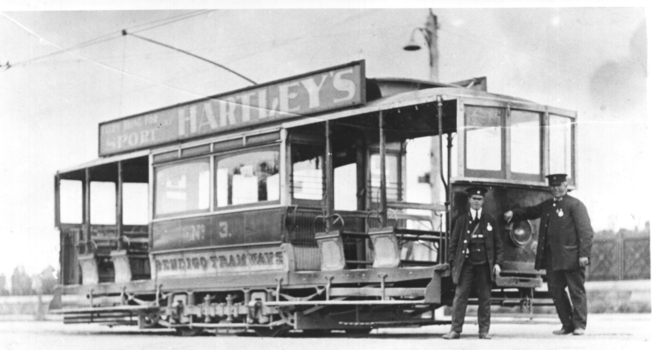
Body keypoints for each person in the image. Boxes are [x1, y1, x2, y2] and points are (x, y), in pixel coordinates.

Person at [503, 174, 593, 336]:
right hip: (552, 259)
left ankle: (579, 325)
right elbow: (530, 211)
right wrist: (513, 214)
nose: (556, 189)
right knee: (555, 291)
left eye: (559, 185)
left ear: (566, 185)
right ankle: (567, 324)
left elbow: (586, 232)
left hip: (571, 257)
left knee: (576, 290)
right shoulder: (548, 205)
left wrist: (584, 254)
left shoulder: (575, 205)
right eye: (553, 186)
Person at [443, 186, 503, 340]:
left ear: (483, 201)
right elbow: (453, 245)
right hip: (466, 265)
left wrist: (497, 263)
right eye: (474, 199)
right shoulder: (461, 220)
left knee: (485, 298)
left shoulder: (490, 220)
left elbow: (498, 244)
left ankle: (484, 331)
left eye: (480, 199)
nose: (477, 202)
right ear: (469, 200)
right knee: (460, 296)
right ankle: (455, 330)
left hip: (485, 265)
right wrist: (454, 263)